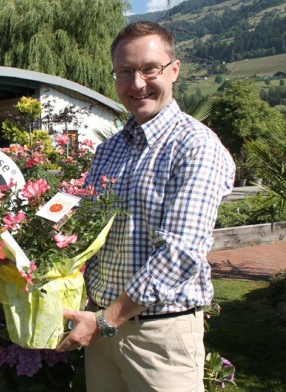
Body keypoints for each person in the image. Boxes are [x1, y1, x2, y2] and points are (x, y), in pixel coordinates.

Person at [56, 21, 235, 391]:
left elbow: (181, 254)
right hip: (101, 334)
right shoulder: (109, 149)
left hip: (159, 338)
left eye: (149, 69)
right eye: (125, 71)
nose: (137, 84)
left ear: (174, 70)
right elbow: (88, 231)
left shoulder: (195, 145)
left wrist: (106, 319)